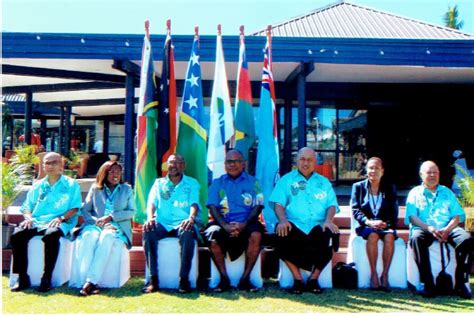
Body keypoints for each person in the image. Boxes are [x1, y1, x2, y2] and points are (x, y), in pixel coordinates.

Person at [269, 147, 339, 294]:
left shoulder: (324, 182)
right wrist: (282, 220)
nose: (305, 163)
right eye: (302, 159)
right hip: (295, 224)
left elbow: (332, 205)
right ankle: (298, 279)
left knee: (331, 235)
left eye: (309, 160)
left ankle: (314, 279)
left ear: (315, 162)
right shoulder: (286, 180)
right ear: (296, 160)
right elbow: (278, 204)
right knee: (280, 236)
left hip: (318, 225)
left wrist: (328, 220)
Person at [10, 152, 82, 292]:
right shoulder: (37, 186)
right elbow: (26, 207)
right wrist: (28, 218)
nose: (50, 166)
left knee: (51, 235)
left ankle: (46, 278)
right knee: (17, 235)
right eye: (47, 163)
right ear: (43, 166)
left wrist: (61, 218)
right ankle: (23, 278)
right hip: (37, 221)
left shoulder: (71, 184)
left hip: (60, 221)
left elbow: (75, 207)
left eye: (54, 162)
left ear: (61, 165)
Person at [406, 160, 473, 299]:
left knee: (466, 240)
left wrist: (447, 229)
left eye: (435, 172)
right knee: (416, 238)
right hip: (425, 228)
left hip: (447, 227)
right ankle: (428, 284)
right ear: (421, 175)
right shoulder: (415, 193)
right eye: (429, 172)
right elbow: (412, 217)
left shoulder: (447, 192)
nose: (432, 175)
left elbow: (457, 216)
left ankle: (460, 283)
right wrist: (429, 228)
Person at [73, 161, 135, 296]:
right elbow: (85, 210)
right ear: (104, 173)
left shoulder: (127, 189)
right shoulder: (96, 189)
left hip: (117, 226)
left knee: (106, 237)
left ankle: (90, 282)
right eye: (112, 171)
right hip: (96, 224)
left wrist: (111, 218)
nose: (116, 174)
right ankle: (89, 282)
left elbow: (131, 211)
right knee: (89, 238)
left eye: (118, 171)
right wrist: (97, 222)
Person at [205, 149, 264, 292]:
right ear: (225, 164)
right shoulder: (217, 182)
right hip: (223, 223)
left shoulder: (254, 182)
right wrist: (224, 225)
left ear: (243, 164)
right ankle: (224, 279)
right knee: (212, 236)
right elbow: (212, 206)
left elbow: (258, 205)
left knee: (256, 235)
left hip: (247, 222)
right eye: (229, 162)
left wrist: (244, 224)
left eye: (237, 161)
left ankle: (245, 279)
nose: (233, 165)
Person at [141, 154, 200, 294]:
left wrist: (191, 218)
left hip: (182, 222)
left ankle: (184, 279)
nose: (174, 166)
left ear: (184, 166)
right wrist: (150, 218)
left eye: (178, 163)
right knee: (148, 231)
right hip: (162, 222)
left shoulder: (192, 183)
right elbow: (151, 203)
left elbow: (194, 203)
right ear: (167, 165)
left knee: (188, 232)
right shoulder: (159, 183)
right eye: (171, 163)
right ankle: (153, 279)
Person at [350, 157, 398, 291]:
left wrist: (385, 223)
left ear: (382, 171)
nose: (373, 171)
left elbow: (394, 210)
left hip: (384, 225)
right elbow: (355, 210)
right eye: (371, 168)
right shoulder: (358, 187)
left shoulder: (389, 188)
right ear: (366, 170)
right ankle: (374, 274)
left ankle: (385, 275)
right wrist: (369, 222)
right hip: (366, 226)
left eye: (377, 168)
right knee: (373, 236)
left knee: (389, 237)